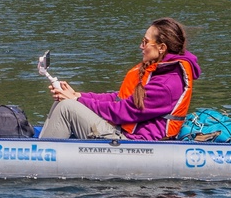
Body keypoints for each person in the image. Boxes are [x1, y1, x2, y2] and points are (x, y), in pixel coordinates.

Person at [39, 18, 200, 140]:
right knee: (62, 102)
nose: (141, 47)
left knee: (66, 108)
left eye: (145, 42)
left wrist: (75, 101)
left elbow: (123, 111)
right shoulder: (159, 70)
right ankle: (42, 148)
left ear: (162, 47)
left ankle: (39, 158)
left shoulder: (167, 84)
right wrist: (79, 96)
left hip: (136, 145)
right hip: (123, 132)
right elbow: (118, 98)